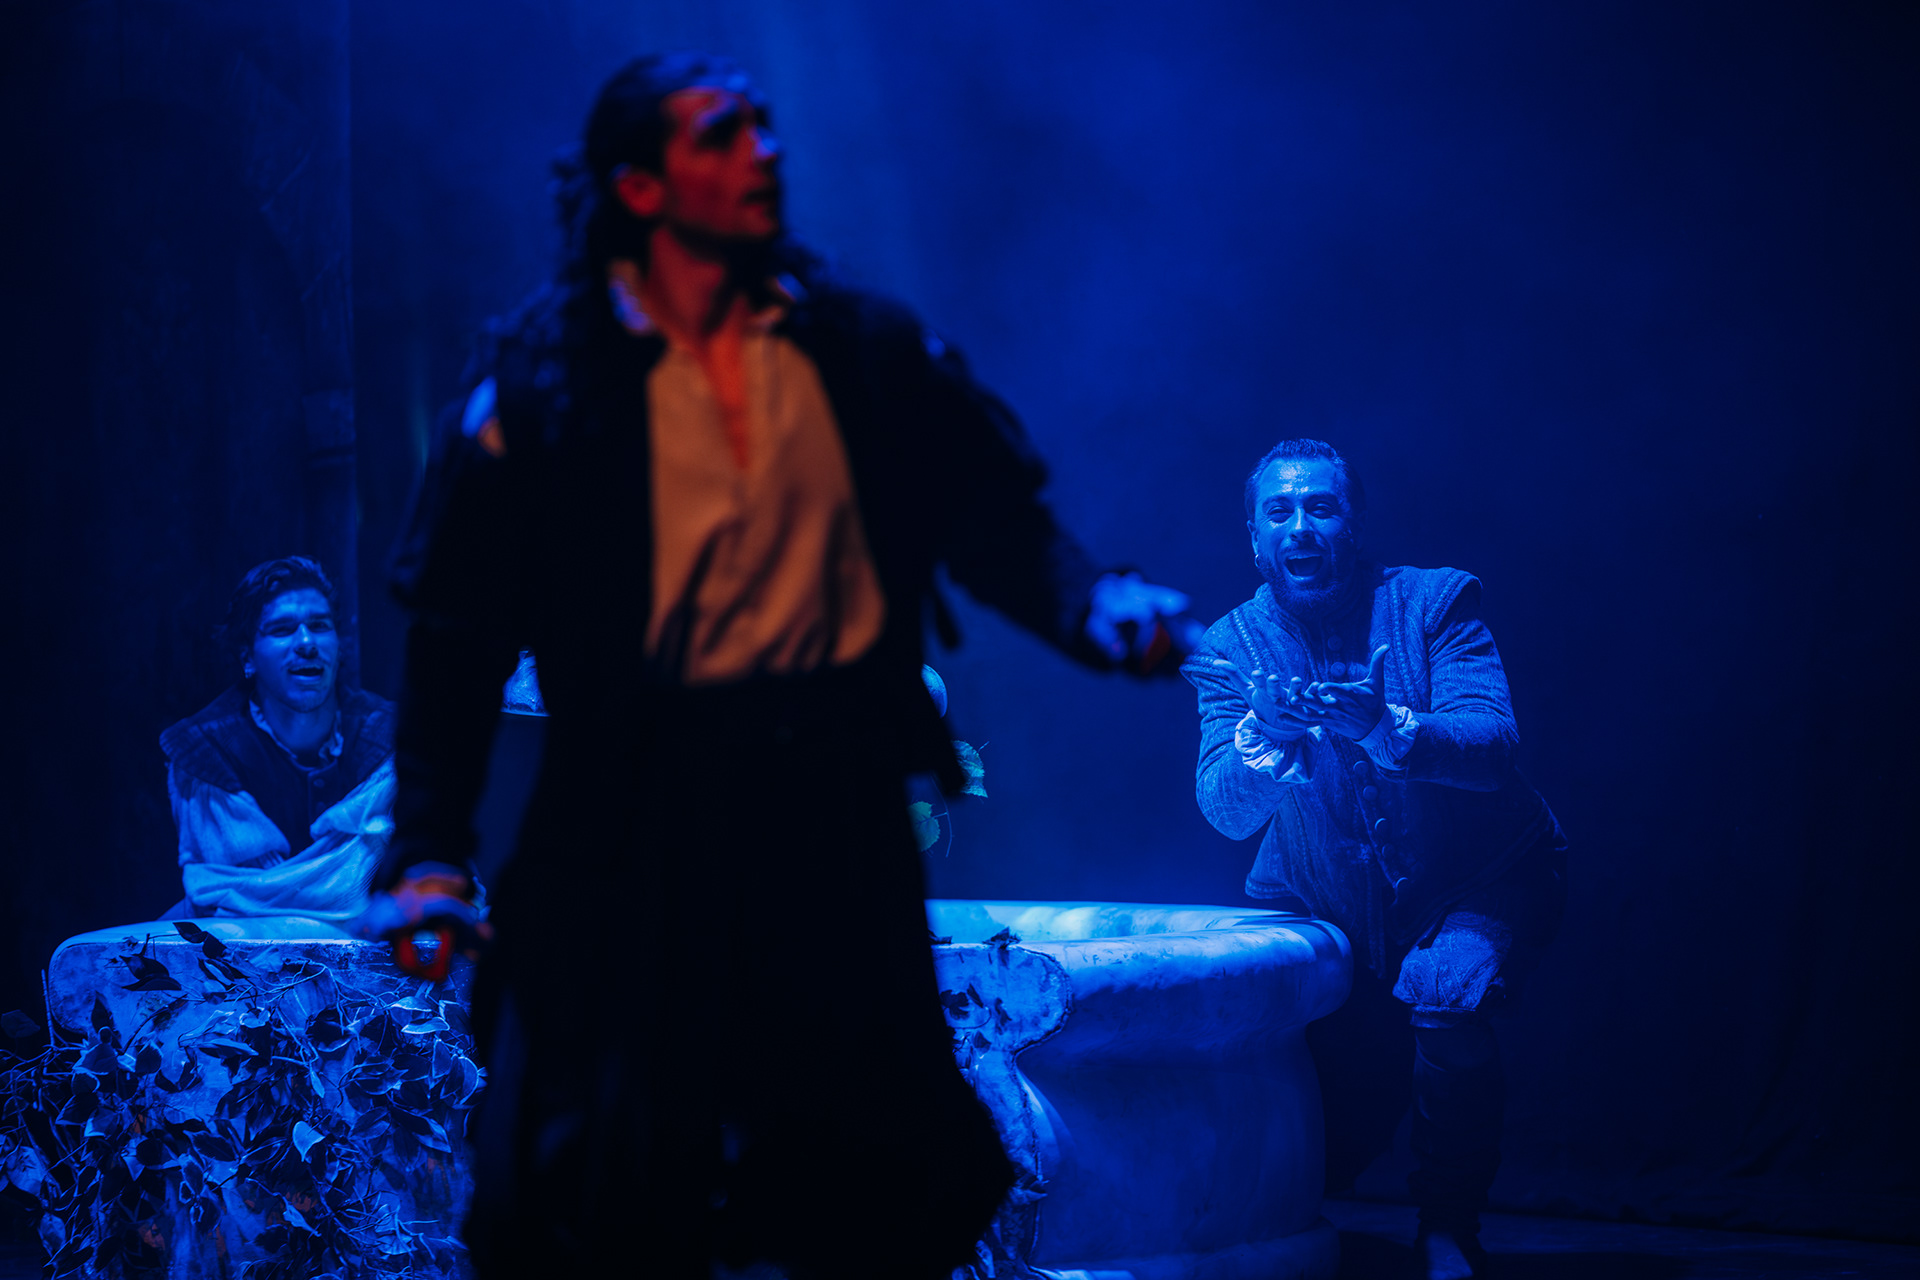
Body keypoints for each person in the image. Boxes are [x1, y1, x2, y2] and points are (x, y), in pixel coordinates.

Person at [362, 52, 1192, 1280]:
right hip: (630, 830)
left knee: (879, 1174)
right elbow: (456, 639)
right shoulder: (538, 389)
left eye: (763, 123)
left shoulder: (855, 348)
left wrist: (1094, 600)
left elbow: (991, 514)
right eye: (722, 132)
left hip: (827, 821)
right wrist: (428, 844)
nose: (767, 148)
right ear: (638, 186)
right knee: (595, 1181)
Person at [1182, 439, 1566, 1280]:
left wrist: (1386, 727)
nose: (1301, 526)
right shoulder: (1228, 646)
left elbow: (1492, 744)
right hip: (1327, 903)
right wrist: (1266, 740)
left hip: (1478, 877)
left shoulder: (1435, 602)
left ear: (1352, 524)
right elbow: (1224, 810)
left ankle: (1448, 1228)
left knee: (1445, 992)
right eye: (1280, 511)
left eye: (1321, 507)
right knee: (1331, 1142)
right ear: (1255, 538)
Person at [160, 557, 395, 920]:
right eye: (282, 630)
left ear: (339, 646)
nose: (306, 643)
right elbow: (235, 898)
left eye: (319, 626)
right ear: (248, 656)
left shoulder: (392, 739)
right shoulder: (204, 752)